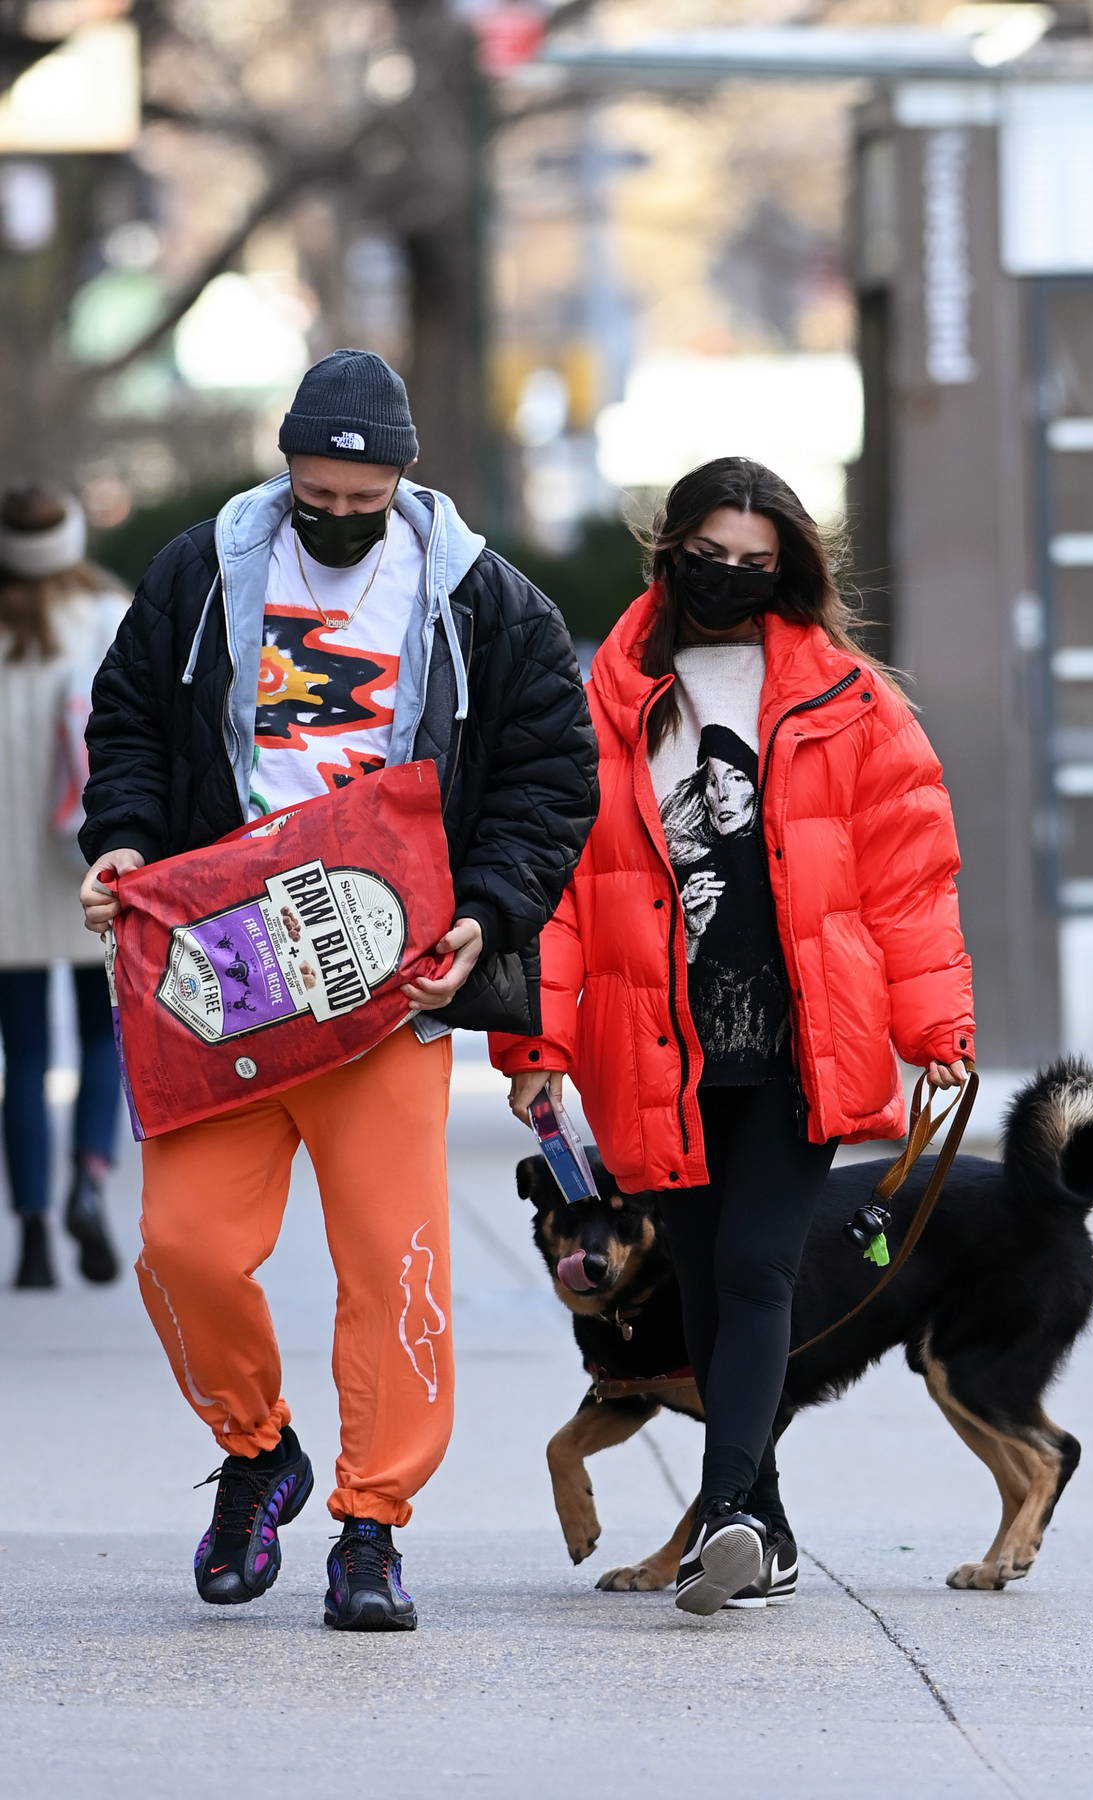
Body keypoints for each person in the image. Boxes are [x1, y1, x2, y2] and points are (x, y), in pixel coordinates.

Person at [79, 350, 598, 1630]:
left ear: (405, 482)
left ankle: (372, 1527)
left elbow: (550, 773)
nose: (342, 521)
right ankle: (259, 1451)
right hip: (228, 969)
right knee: (182, 1245)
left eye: (366, 506)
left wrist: (490, 911)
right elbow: (130, 721)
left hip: (389, 977)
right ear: (287, 470)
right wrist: (125, 842)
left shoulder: (484, 598)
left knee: (396, 1266)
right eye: (319, 497)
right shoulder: (201, 573)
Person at [493, 457, 974, 1618]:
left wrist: (938, 1025)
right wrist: (536, 1044)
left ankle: (733, 1515)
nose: (734, 578)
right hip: (654, 1041)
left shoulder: (852, 700)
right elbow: (559, 883)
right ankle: (770, 1525)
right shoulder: (593, 698)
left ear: (790, 568)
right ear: (670, 552)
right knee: (703, 1276)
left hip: (802, 1039)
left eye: (760, 563)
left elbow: (910, 881)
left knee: (758, 1266)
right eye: (714, 555)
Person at [0, 486, 128, 1290]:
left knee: (24, 1056)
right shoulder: (108, 614)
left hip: (5, 887)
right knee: (100, 1038)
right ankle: (89, 1179)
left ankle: (36, 1232)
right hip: (91, 868)